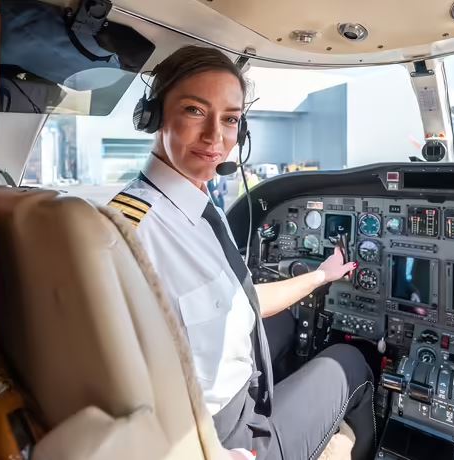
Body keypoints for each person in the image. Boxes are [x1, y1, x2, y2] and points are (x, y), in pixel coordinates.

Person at [108, 45, 375, 460]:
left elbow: (240, 299)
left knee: (288, 323)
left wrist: (321, 276)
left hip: (231, 392)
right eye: (195, 110)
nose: (215, 137)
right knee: (351, 361)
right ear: (154, 116)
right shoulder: (129, 233)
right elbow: (107, 377)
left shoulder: (198, 206)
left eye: (230, 119)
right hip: (214, 437)